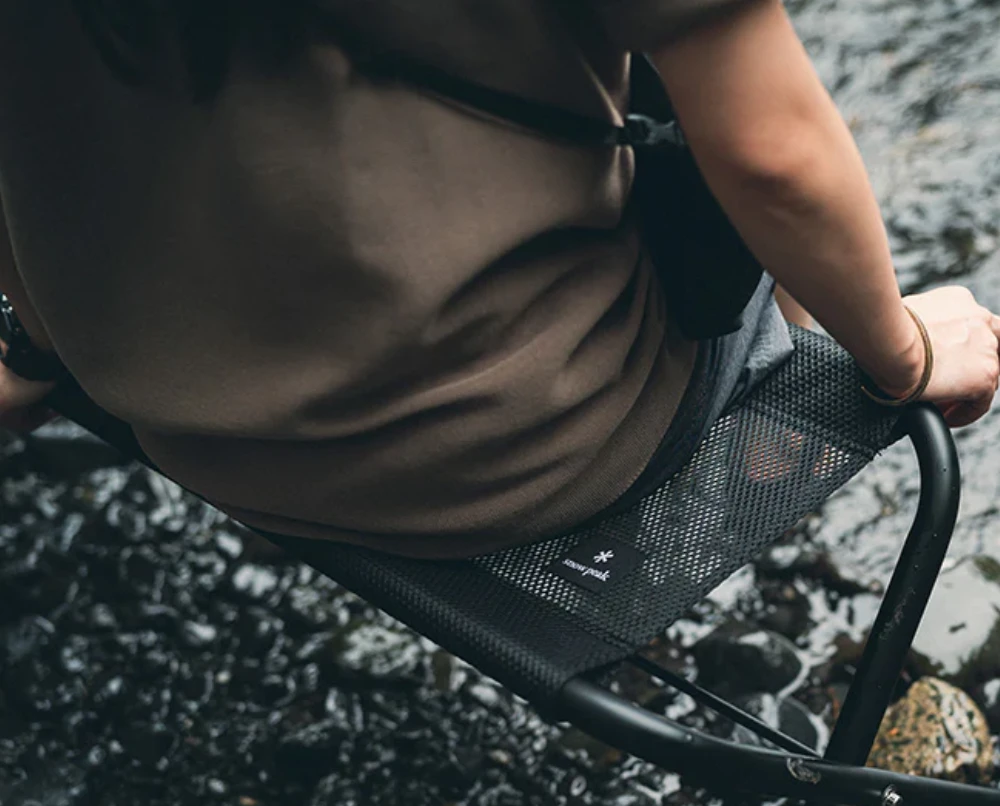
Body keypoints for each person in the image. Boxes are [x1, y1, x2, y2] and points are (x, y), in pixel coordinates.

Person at [0, 0, 997, 558]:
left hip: (184, 418)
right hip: (510, 450)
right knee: (715, 90)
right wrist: (904, 356)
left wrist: (39, 345)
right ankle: (782, 408)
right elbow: (776, 159)